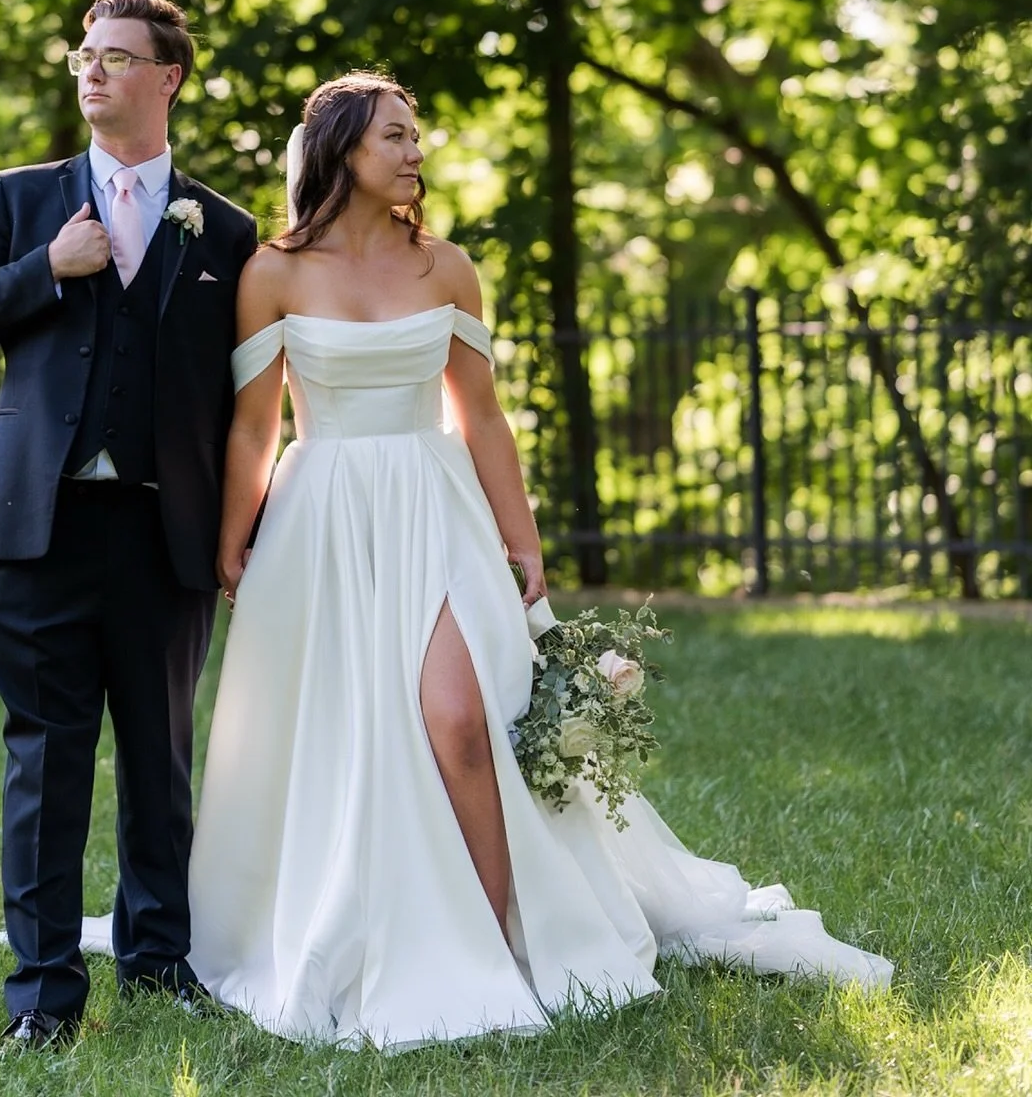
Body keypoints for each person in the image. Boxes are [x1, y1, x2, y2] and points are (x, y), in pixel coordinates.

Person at [181, 71, 891, 1050]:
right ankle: (380, 922)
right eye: (396, 136)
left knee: (463, 723)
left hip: (437, 513)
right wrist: (233, 542)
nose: (414, 152)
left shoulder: (448, 268)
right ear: (344, 146)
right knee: (352, 745)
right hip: (325, 526)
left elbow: (484, 419)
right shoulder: (274, 272)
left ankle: (511, 943)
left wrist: (523, 539)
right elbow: (254, 427)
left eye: (415, 136)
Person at [0, 0, 257, 1050]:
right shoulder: (20, 201)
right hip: (37, 531)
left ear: (166, 79)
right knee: (45, 765)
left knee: (159, 762)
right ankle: (42, 1000)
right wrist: (46, 272)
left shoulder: (230, 230)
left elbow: (241, 397)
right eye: (85, 55)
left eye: (117, 58)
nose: (92, 73)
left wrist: (233, 528)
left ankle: (160, 966)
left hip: (163, 539)